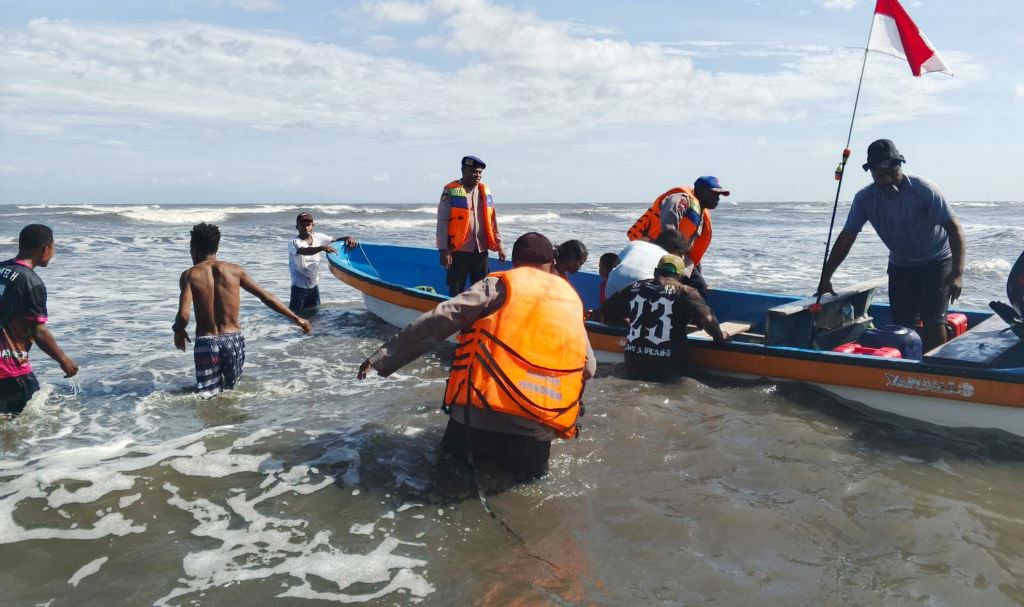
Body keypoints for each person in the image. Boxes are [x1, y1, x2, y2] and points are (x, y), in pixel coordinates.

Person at [357, 232, 596, 482]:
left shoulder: (498, 284)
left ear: (514, 262)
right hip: (536, 430)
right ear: (550, 263)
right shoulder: (571, 300)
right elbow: (589, 368)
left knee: (447, 486)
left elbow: (441, 318)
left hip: (477, 419)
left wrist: (383, 356)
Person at [816, 139, 966, 351]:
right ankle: (906, 372)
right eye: (880, 175)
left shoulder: (923, 189)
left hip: (937, 261)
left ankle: (940, 372)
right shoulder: (864, 199)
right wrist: (826, 276)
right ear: (871, 173)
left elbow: (955, 229)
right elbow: (847, 237)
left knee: (933, 321)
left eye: (892, 173)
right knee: (902, 325)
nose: (887, 180)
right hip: (901, 265)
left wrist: (958, 273)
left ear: (900, 167)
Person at [174, 223, 312, 398]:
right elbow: (267, 297)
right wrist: (297, 319)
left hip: (206, 342)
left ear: (193, 248)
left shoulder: (190, 275)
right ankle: (233, 425)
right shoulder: (235, 270)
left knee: (207, 398)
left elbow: (184, 315)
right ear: (216, 247)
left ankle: (213, 425)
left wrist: (178, 330)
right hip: (233, 340)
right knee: (232, 394)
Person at [601, 254, 725, 382]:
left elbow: (607, 311)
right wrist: (720, 337)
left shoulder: (634, 287)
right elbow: (709, 321)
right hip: (668, 368)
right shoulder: (686, 292)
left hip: (634, 364)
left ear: (655, 271)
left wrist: (627, 320)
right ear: (681, 276)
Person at [1, 224, 78, 417]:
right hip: (11, 371)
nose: (53, 252)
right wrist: (64, 360)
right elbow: (38, 331)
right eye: (53, 247)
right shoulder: (31, 282)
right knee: (28, 431)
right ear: (45, 248)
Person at [436, 155, 507, 296]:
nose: (478, 175)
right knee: (456, 290)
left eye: (480, 172)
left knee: (481, 291)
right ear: (464, 171)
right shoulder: (451, 190)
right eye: (474, 171)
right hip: (458, 251)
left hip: (480, 252)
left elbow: (492, 221)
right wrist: (444, 250)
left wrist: (500, 246)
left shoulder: (484, 192)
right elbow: (442, 221)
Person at [626, 176, 730, 268]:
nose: (717, 198)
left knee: (698, 284)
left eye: (719, 195)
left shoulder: (701, 212)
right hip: (654, 253)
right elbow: (669, 231)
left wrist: (695, 269)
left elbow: (693, 245)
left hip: (678, 257)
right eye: (714, 194)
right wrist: (674, 260)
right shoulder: (680, 200)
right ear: (701, 191)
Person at [288, 212, 357, 312]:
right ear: (297, 227)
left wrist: (348, 238)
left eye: (308, 225)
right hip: (299, 288)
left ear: (313, 226)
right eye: (302, 225)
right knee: (295, 316)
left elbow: (336, 241)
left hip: (314, 286)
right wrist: (321, 248)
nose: (306, 228)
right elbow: (303, 251)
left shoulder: (318, 237)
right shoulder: (294, 242)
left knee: (315, 315)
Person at [605, 229, 697, 299]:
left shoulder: (635, 243)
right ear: (675, 249)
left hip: (611, 288)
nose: (681, 257)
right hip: (639, 291)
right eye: (681, 253)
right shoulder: (667, 258)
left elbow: (615, 263)